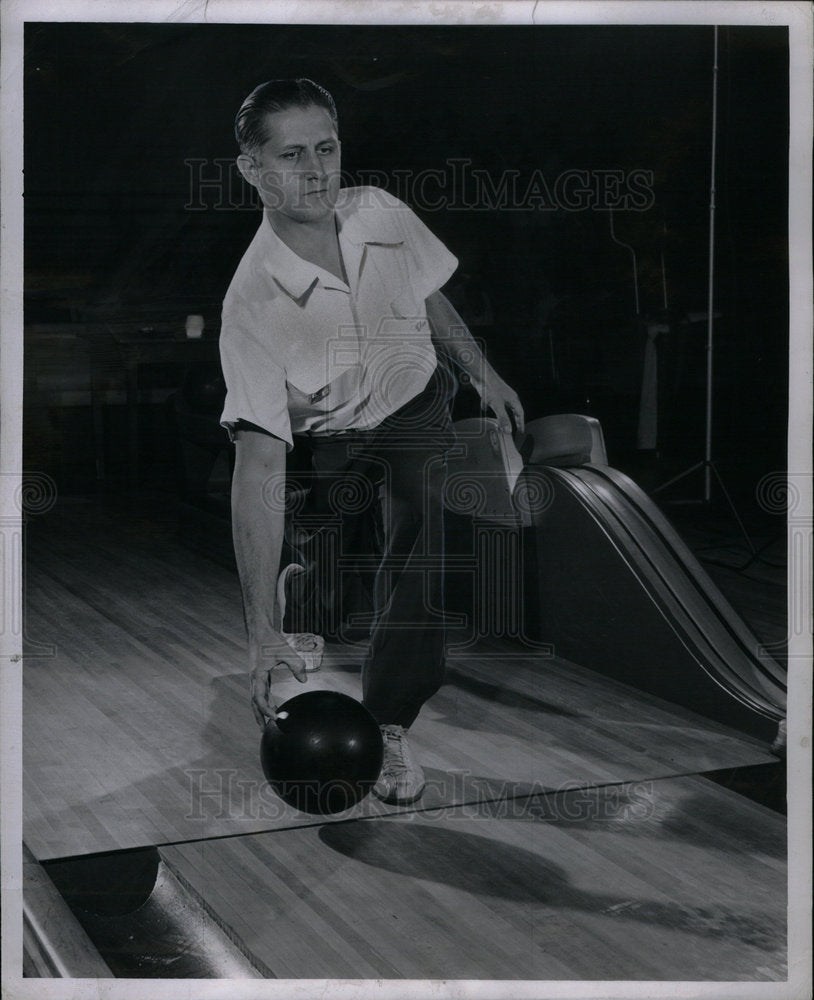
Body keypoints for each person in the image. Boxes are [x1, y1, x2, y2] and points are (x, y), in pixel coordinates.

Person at [220, 78, 523, 805]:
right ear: (251, 170)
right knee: (324, 556)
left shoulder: (380, 210)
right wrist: (260, 632)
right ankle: (302, 600)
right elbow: (258, 466)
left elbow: (423, 291)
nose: (317, 169)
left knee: (424, 541)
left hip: (414, 402)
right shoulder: (252, 303)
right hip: (326, 436)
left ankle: (389, 722)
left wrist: (484, 373)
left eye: (326, 147)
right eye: (291, 154)